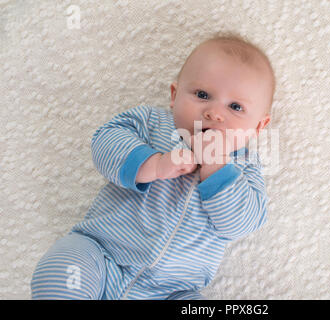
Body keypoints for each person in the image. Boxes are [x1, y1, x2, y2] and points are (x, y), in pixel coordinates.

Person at [31, 31, 276, 299]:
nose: (214, 113)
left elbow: (244, 223)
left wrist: (217, 168)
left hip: (172, 291)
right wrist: (154, 164)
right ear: (174, 94)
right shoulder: (151, 122)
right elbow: (105, 142)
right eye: (203, 94)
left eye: (236, 107)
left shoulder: (244, 165)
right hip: (103, 255)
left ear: (258, 126)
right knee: (67, 264)